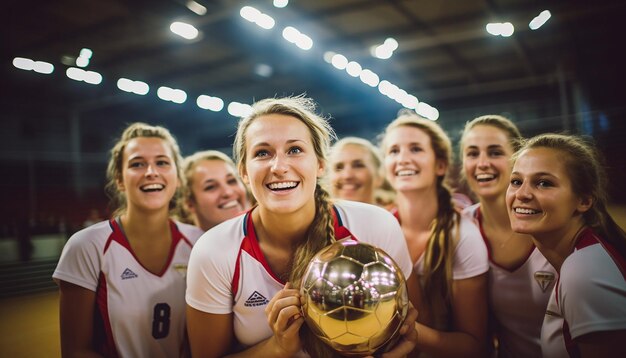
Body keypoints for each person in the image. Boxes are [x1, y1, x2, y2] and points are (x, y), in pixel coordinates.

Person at [185, 96, 421, 358]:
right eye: (262, 153)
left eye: (295, 150)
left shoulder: (376, 226)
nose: (279, 167)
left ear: (320, 164)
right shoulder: (214, 250)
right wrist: (277, 348)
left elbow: (414, 334)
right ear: (243, 172)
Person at [52, 122, 204, 357]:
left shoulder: (200, 243)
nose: (151, 171)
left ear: (178, 177)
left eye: (162, 162)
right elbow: (75, 351)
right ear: (120, 179)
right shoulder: (86, 246)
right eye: (137, 164)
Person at [506, 133, 626, 357]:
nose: (521, 194)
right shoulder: (579, 260)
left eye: (543, 183)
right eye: (516, 181)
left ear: (584, 201)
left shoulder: (584, 271)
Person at [380, 111, 489, 357]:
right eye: (394, 151)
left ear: (440, 165)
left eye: (416, 149)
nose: (403, 159)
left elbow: (473, 346)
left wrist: (399, 327)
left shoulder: (462, 236)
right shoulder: (379, 225)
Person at [460, 115, 556, 357]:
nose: (482, 163)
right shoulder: (460, 227)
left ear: (517, 160)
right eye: (472, 154)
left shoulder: (552, 221)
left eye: (494, 152)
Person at [179, 150, 249, 231]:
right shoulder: (187, 242)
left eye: (231, 181)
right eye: (211, 187)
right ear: (189, 204)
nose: (228, 192)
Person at [328, 136, 385, 205]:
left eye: (358, 166)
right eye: (338, 167)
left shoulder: (393, 215)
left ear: (379, 176)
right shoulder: (316, 215)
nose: (347, 175)